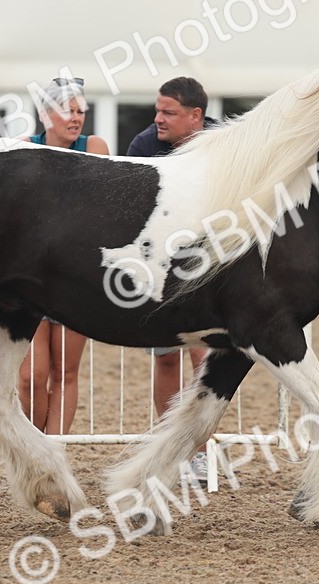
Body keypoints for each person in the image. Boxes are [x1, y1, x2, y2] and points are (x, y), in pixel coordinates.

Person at [126, 76, 217, 479]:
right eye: (157, 111)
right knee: (165, 358)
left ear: (195, 116)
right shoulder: (144, 147)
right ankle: (169, 450)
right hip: (159, 268)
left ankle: (198, 449)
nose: (157, 119)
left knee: (206, 359)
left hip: (209, 263)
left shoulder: (222, 141)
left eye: (168, 112)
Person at [17, 77, 108, 434]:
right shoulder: (25, 147)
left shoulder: (95, 147)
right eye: (67, 110)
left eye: (80, 109)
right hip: (34, 275)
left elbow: (100, 208)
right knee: (31, 376)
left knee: (66, 373)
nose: (76, 117)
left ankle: (52, 454)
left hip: (78, 274)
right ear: (45, 115)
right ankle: (34, 449)